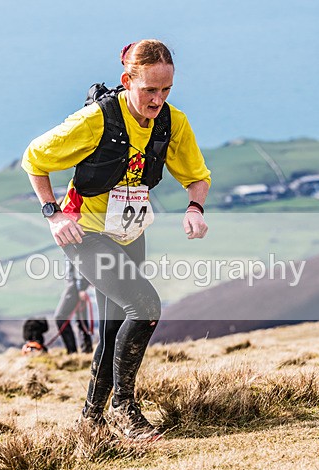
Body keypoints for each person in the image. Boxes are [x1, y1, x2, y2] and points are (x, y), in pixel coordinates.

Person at [23, 40, 211, 440]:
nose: (157, 99)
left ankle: (91, 421)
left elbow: (197, 174)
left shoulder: (172, 123)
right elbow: (34, 158)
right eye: (149, 90)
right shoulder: (95, 120)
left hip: (130, 233)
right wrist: (53, 215)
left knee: (113, 327)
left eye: (166, 90)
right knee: (145, 307)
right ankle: (124, 408)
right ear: (128, 81)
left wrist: (194, 207)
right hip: (85, 232)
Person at [54, 259, 93, 354]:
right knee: (81, 318)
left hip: (74, 286)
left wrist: (81, 288)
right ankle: (86, 349)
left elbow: (77, 260)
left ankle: (73, 351)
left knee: (60, 317)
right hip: (74, 285)